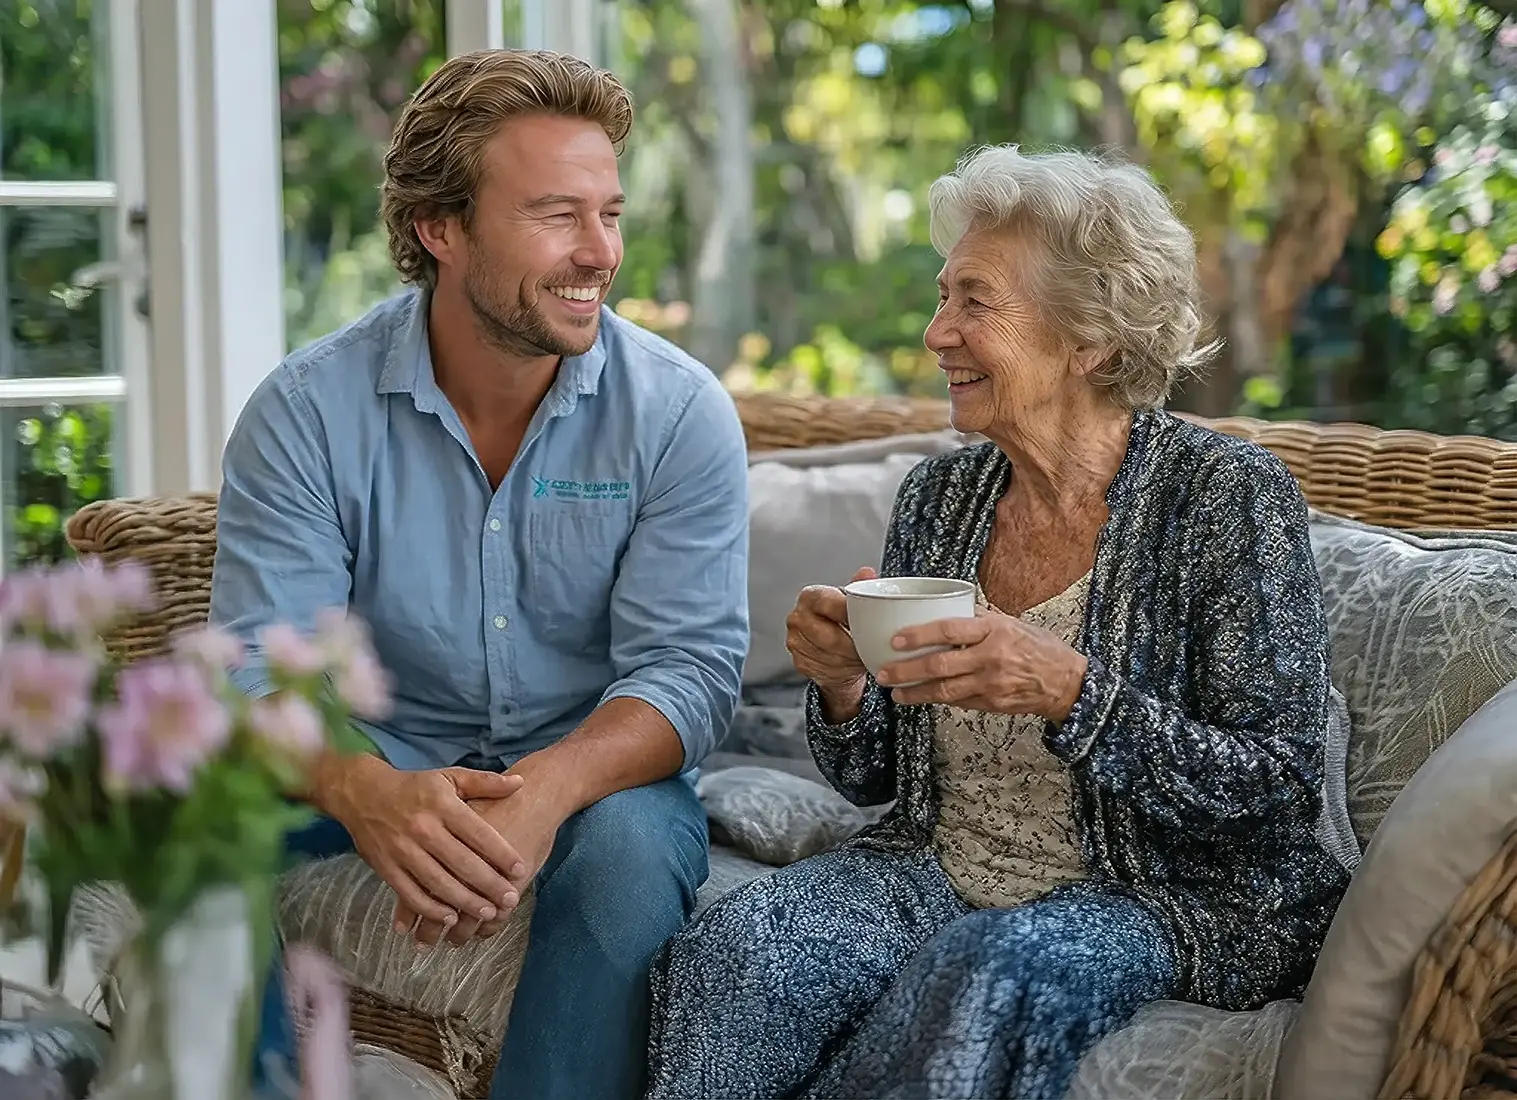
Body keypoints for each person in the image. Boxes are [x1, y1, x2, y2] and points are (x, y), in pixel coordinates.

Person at [645, 145, 1359, 1100]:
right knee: (747, 946)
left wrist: (1070, 690)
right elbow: (875, 783)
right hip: (943, 864)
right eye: (941, 298)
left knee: (991, 975)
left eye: (973, 301)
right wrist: (845, 683)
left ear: (1091, 338)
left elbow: (1276, 787)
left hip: (1162, 895)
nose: (937, 332)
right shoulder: (939, 498)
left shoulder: (1226, 499)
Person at [208, 49, 749, 1100]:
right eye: (557, 216)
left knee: (628, 856)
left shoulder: (679, 413)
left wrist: (545, 789)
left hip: (595, 779)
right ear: (438, 229)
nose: (600, 253)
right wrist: (363, 789)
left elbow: (688, 669)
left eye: (611, 213)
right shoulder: (306, 412)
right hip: (378, 749)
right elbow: (256, 668)